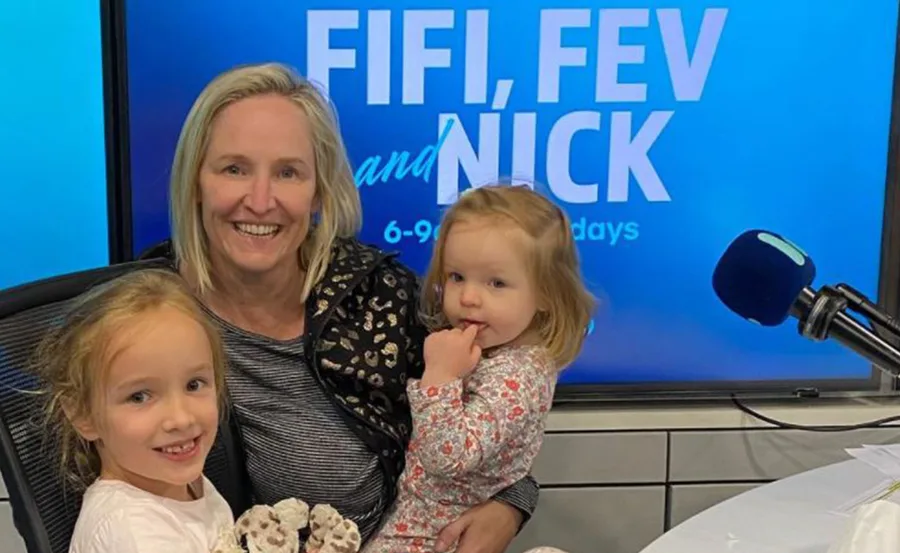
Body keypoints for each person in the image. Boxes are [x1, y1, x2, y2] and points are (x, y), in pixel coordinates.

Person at [140, 61, 538, 553]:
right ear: (196, 180)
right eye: (234, 169)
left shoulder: (378, 293)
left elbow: (495, 414)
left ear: (319, 190)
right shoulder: (147, 317)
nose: (260, 200)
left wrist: (511, 504)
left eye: (288, 172)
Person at [362, 185, 594, 553]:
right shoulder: (493, 351)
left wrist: (439, 377)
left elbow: (447, 457)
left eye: (496, 283)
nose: (468, 297)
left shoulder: (518, 376)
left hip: (436, 537)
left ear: (547, 294)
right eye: (456, 276)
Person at [36, 269, 235, 553]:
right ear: (84, 415)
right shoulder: (132, 532)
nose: (181, 418)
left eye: (194, 384)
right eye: (139, 396)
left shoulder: (179, 482)